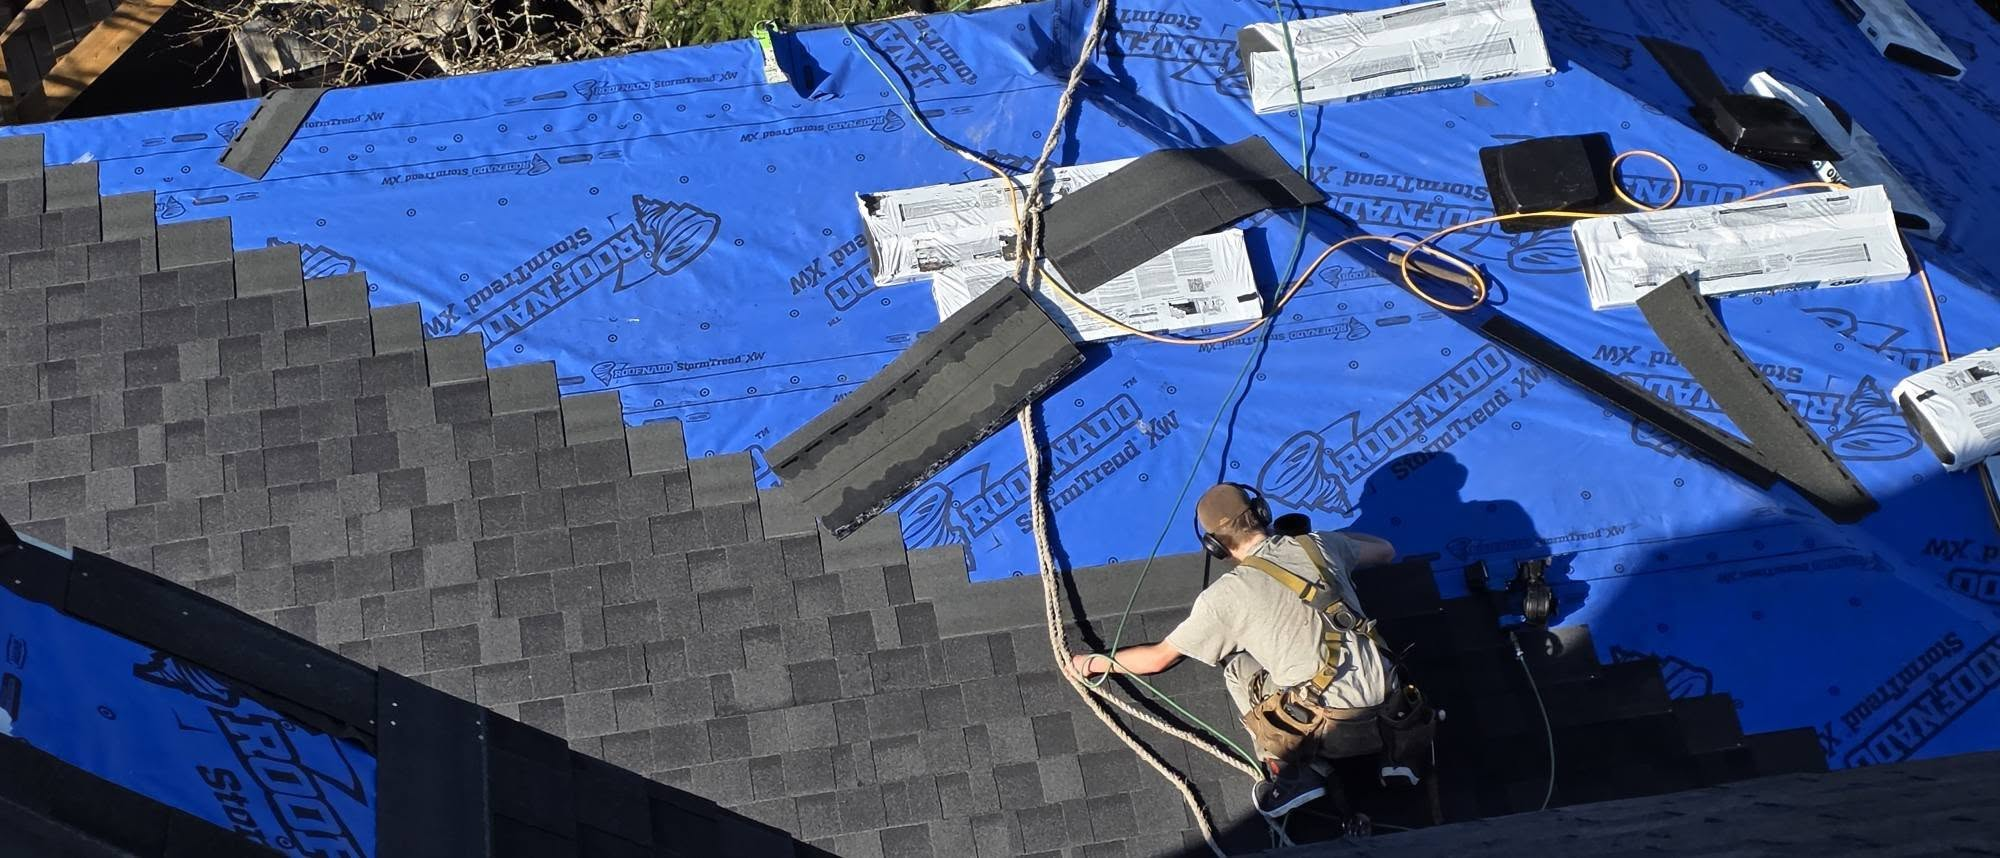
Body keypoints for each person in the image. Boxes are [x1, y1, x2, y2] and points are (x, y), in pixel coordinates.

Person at [1069, 482, 1400, 818]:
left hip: (1331, 719)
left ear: (1215, 546)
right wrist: (1321, 541)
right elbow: (1385, 550)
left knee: (1239, 669)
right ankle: (1393, 757)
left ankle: (1291, 775)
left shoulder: (1224, 598)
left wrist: (1090, 664)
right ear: (1261, 513)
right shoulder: (1321, 545)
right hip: (1391, 700)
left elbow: (1158, 659)